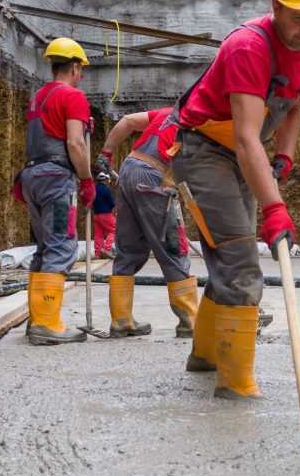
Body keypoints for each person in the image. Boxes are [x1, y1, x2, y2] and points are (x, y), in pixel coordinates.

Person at [170, 0, 300, 399]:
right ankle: (236, 381)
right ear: (276, 7)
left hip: (243, 153)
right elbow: (246, 137)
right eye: (299, 18)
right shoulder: (248, 46)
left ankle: (205, 354)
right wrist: (275, 209)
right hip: (204, 149)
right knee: (243, 257)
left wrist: (283, 157)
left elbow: (294, 105)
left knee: (231, 254)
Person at [14, 38, 94, 345]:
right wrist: (86, 180)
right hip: (56, 176)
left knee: (46, 247)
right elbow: (75, 143)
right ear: (74, 67)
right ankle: (47, 324)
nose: (81, 75)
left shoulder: (39, 96)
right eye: (81, 70)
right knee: (61, 245)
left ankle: (38, 318)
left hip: (32, 175)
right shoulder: (72, 96)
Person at [97, 106, 197, 338]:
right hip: (153, 175)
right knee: (172, 245)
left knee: (129, 249)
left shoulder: (168, 113)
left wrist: (106, 153)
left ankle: (121, 320)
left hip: (129, 169)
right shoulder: (203, 121)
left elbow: (128, 120)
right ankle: (190, 321)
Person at [91, 177, 116, 259]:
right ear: (106, 180)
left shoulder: (93, 188)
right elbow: (111, 202)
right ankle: (106, 248)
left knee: (98, 234)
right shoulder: (106, 189)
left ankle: (97, 253)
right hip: (106, 214)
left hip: (96, 215)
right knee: (114, 229)